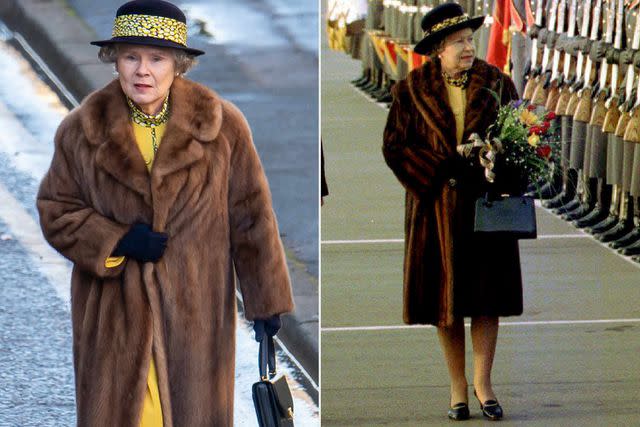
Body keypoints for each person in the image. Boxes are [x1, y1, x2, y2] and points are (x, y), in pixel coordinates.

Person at [36, 1, 293, 425]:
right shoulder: (83, 129)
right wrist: (116, 239)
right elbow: (55, 209)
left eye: (156, 58)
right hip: (114, 322)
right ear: (113, 61)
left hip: (196, 324)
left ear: (179, 65)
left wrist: (267, 303)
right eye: (131, 56)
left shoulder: (223, 126)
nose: (143, 70)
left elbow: (252, 217)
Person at [382, 3, 522, 421]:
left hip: (485, 207)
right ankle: (456, 387)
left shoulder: (497, 83)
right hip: (435, 211)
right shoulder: (410, 89)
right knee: (444, 304)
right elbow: (395, 146)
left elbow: (521, 139)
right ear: (439, 48)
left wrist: (500, 164)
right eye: (459, 41)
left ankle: (485, 384)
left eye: (470, 39)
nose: (468, 47)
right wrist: (438, 170)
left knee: (486, 299)